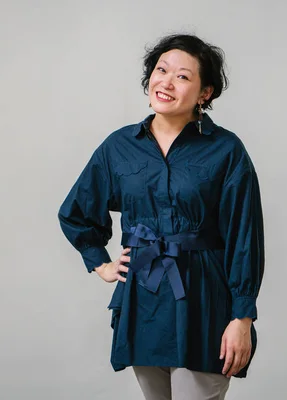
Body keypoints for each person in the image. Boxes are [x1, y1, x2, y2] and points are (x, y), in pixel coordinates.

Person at [58, 33, 265, 400]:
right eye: (161, 70)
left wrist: (242, 318)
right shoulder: (119, 147)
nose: (166, 82)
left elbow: (244, 237)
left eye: (183, 76)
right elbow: (76, 212)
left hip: (203, 298)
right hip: (144, 295)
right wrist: (101, 264)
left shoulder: (226, 150)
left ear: (205, 93)